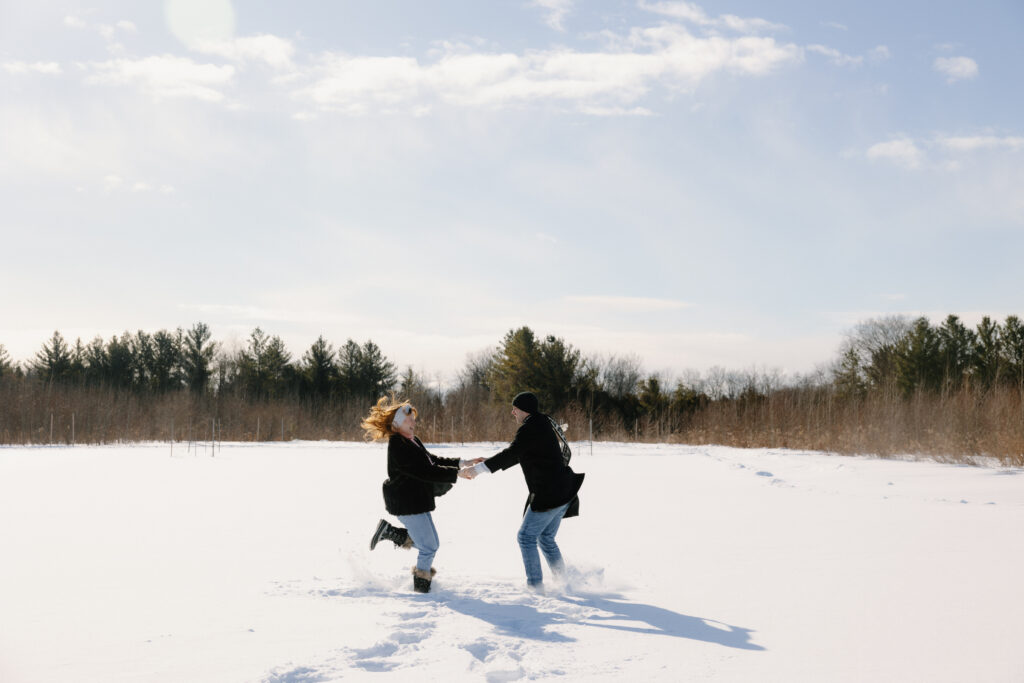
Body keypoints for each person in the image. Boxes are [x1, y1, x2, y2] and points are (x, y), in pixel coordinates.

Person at [460, 391, 584, 591]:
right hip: (565, 490)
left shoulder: (530, 428)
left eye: (515, 409)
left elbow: (512, 453)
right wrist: (489, 462)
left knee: (526, 537)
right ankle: (565, 582)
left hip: (550, 494)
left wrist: (476, 470)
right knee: (545, 538)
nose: (512, 412)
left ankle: (535, 587)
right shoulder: (542, 423)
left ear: (523, 409)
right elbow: (518, 453)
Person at [363, 396, 483, 593]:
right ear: (398, 424)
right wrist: (456, 474)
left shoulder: (412, 441)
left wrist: (461, 463)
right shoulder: (398, 446)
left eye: (414, 419)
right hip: (406, 502)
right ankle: (421, 589)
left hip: (416, 500)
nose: (414, 422)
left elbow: (431, 461)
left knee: (431, 543)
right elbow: (423, 471)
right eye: (409, 420)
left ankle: (389, 532)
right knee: (428, 547)